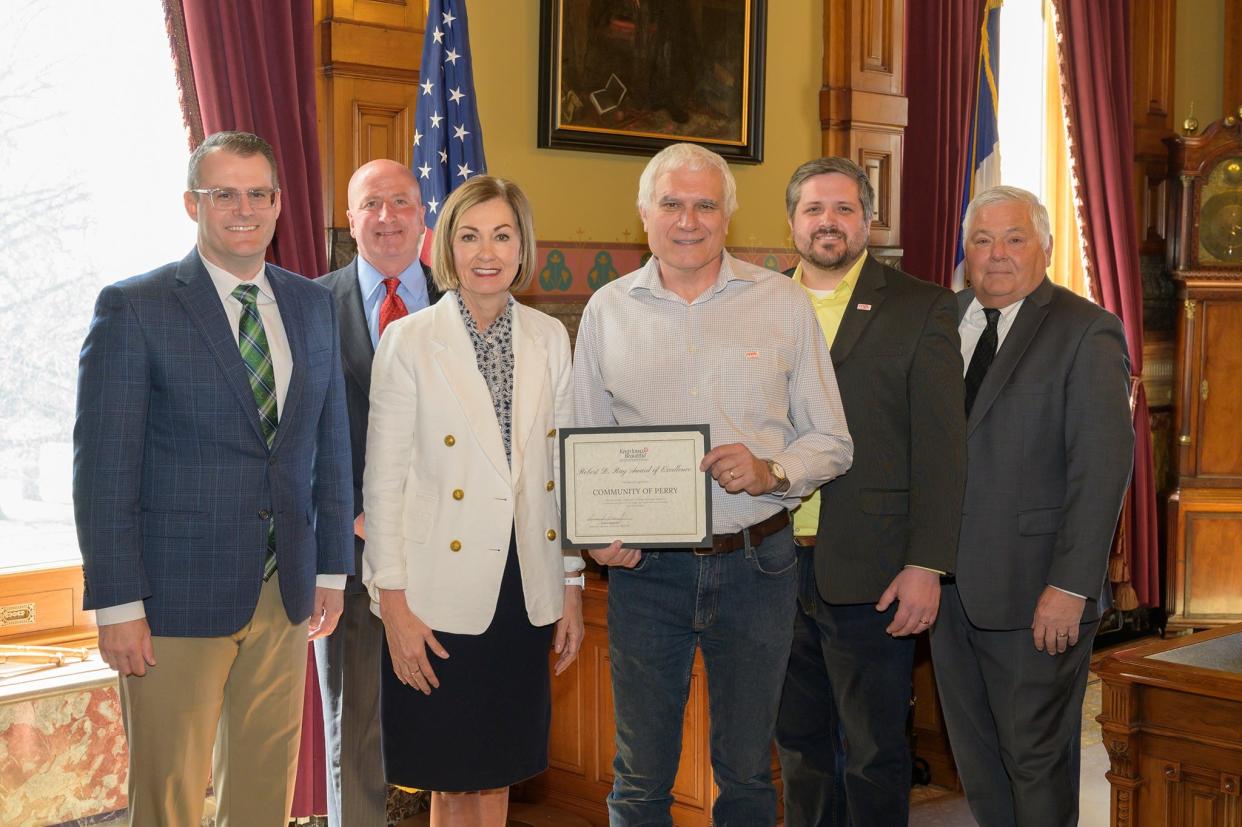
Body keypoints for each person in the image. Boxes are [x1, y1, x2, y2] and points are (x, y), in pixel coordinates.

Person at [72, 130, 354, 826]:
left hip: (283, 592)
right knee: (167, 797)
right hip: (170, 599)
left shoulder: (312, 305)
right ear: (191, 202)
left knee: (263, 791)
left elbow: (331, 444)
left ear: (280, 204)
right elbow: (103, 468)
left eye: (258, 193)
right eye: (223, 192)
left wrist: (332, 571)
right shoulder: (134, 308)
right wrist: (117, 603)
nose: (243, 208)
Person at [573, 142, 854, 826]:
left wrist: (772, 470)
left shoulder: (781, 302)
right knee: (639, 780)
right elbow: (579, 448)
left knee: (748, 774)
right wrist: (592, 539)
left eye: (705, 204)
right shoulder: (606, 312)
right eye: (672, 203)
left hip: (758, 564)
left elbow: (833, 440)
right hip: (646, 575)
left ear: (729, 214)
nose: (688, 219)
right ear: (644, 214)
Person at [362, 175, 585, 826]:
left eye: (502, 235)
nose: (486, 251)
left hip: (524, 586)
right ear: (447, 247)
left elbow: (561, 470)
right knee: (451, 776)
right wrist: (392, 603)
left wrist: (571, 582)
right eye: (469, 235)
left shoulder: (549, 337)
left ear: (523, 247)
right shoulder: (410, 339)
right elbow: (383, 480)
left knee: (498, 772)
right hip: (437, 590)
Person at [930, 185, 1134, 827]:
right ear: (964, 252)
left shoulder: (1085, 330)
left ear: (1044, 247)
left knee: (1034, 759)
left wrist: (1070, 587)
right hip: (942, 589)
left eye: (1014, 238)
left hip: (1036, 593)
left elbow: (1101, 471)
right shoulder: (942, 320)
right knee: (978, 759)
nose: (996, 255)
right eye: (982, 240)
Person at [773, 157, 966, 826]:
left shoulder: (921, 306)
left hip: (876, 569)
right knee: (798, 748)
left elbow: (944, 450)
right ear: (792, 220)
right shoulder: (757, 303)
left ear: (868, 220)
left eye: (844, 209)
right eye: (814, 209)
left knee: (874, 751)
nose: (828, 221)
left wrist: (927, 564)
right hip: (771, 562)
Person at [314, 158, 442, 827]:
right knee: (355, 734)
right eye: (372, 203)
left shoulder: (463, 300)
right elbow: (292, 433)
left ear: (424, 214)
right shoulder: (308, 304)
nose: (387, 217)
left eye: (401, 201)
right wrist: (346, 515)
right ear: (350, 217)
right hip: (349, 554)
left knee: (457, 729)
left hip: (451, 553)